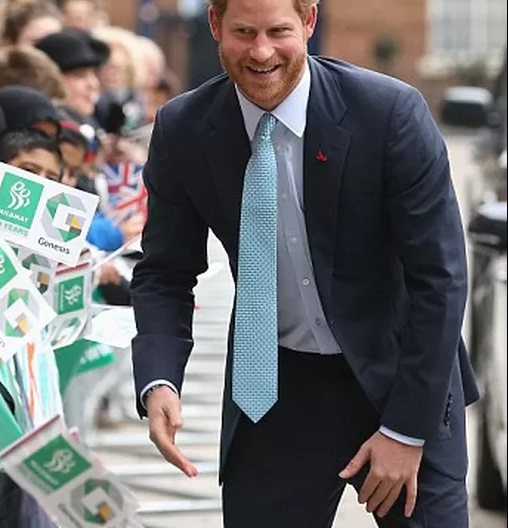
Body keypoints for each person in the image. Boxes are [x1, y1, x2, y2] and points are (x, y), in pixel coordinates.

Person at [131, 0, 477, 527]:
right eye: (244, 32)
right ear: (216, 27)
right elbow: (164, 271)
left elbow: (441, 278)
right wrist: (159, 380)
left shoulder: (389, 113)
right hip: (275, 386)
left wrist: (406, 432)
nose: (262, 51)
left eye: (278, 31)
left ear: (309, 23)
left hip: (402, 374)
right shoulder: (183, 127)